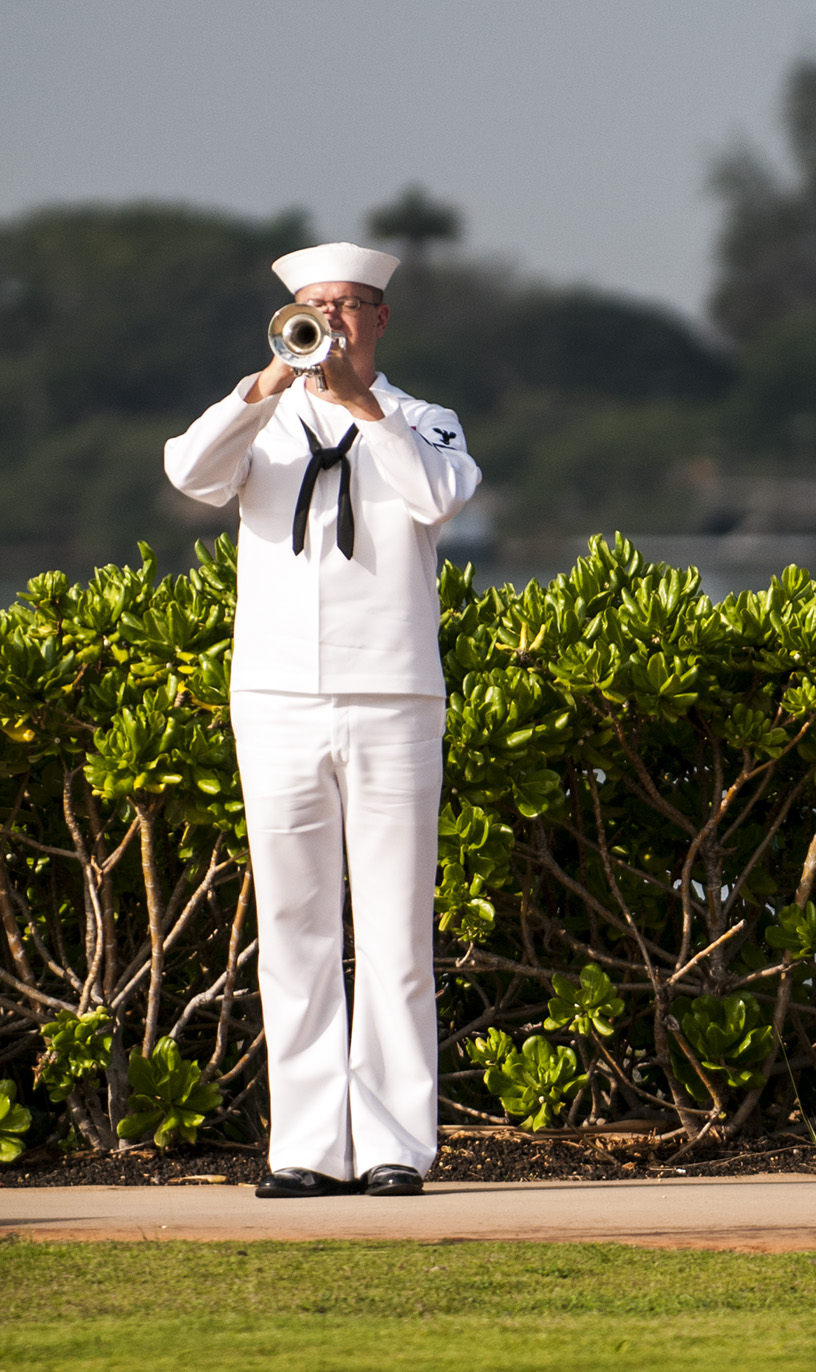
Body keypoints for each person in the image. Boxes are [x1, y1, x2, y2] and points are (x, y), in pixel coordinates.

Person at [164, 243, 480, 1199]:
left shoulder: (422, 421)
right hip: (276, 699)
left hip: (393, 698)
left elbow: (439, 496)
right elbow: (189, 474)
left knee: (393, 930)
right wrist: (266, 382)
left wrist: (360, 406)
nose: (330, 323)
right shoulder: (259, 416)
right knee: (294, 924)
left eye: (347, 307)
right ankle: (303, 1146)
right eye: (311, 307)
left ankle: (393, 1147)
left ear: (380, 319)